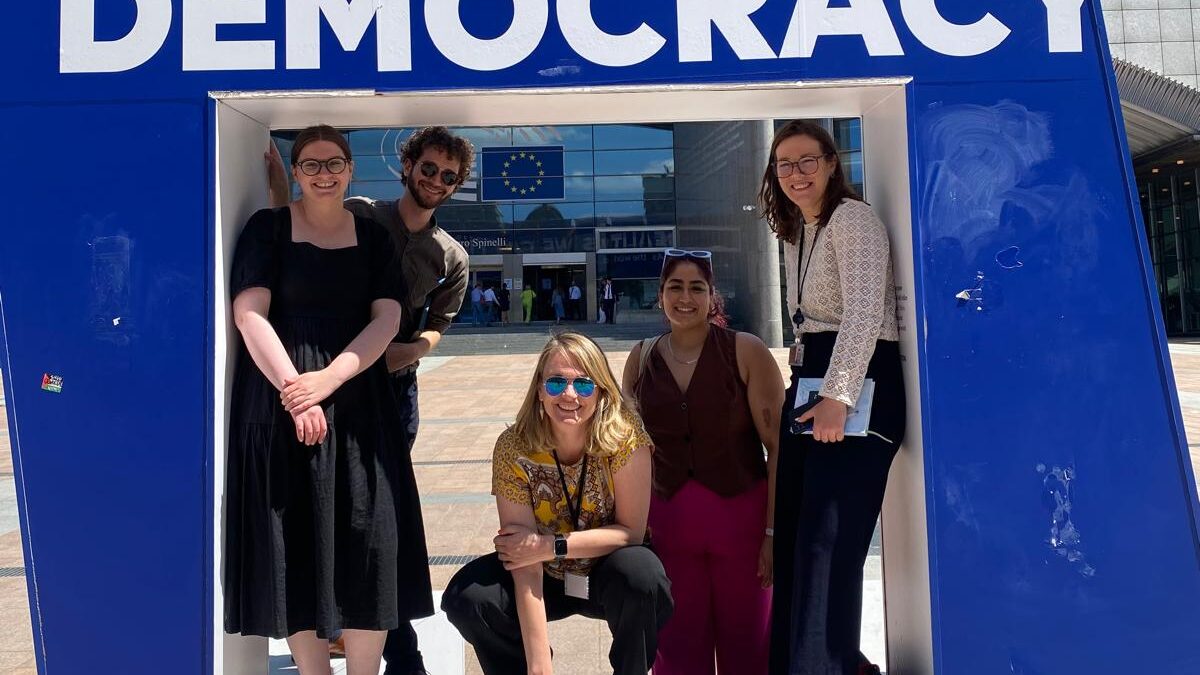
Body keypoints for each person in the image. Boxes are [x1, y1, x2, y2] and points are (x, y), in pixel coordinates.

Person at [267, 125, 474, 675]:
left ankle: (396, 652)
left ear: (457, 185)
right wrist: (272, 183)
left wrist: (397, 355)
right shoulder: (360, 212)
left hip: (389, 390)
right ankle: (335, 633)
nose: (436, 180)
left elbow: (439, 327)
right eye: (428, 168)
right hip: (322, 382)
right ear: (407, 166)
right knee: (318, 509)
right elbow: (300, 231)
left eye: (448, 176)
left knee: (378, 524)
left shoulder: (451, 256)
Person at [227, 125, 409, 675]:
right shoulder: (268, 229)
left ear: (351, 169)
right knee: (296, 538)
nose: (324, 173)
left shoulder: (375, 237)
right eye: (311, 164)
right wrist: (297, 394)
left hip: (360, 405)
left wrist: (327, 381)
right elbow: (248, 314)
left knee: (369, 539)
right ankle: (312, 670)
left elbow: (389, 319)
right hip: (283, 406)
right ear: (297, 171)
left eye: (334, 163)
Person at [758, 120, 906, 675]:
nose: (795, 174)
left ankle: (830, 665)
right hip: (813, 383)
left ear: (831, 162)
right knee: (800, 536)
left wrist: (840, 396)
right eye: (784, 165)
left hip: (856, 387)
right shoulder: (800, 229)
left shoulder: (853, 219)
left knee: (829, 545)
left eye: (806, 161)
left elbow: (867, 312)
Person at [441, 332, 673, 675]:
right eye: (555, 383)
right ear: (538, 390)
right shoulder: (514, 447)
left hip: (605, 571)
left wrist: (550, 546)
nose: (569, 395)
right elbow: (522, 557)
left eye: (583, 384)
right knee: (468, 598)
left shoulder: (625, 438)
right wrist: (539, 665)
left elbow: (631, 533)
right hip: (545, 576)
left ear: (602, 390)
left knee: (643, 576)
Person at [622, 249, 784, 675]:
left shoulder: (746, 351)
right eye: (675, 287)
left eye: (697, 287)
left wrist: (773, 532)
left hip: (743, 526)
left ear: (713, 297)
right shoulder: (640, 359)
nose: (685, 297)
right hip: (669, 527)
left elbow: (778, 447)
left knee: (749, 646)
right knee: (676, 646)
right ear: (660, 296)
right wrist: (635, 532)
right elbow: (629, 456)